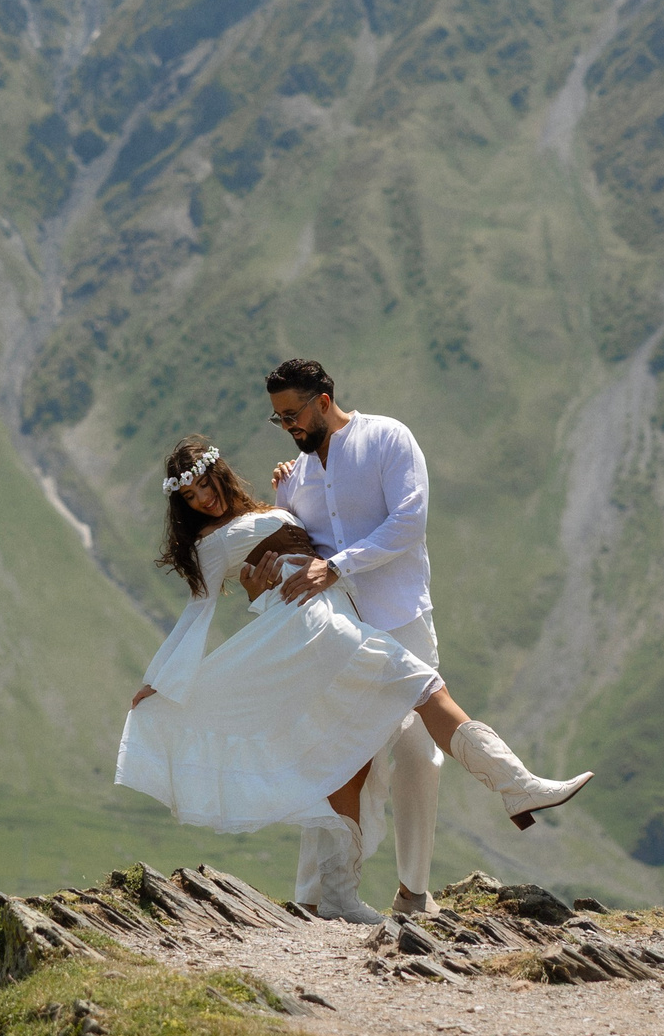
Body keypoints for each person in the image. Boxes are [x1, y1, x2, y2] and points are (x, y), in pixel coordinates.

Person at [116, 433, 589, 923]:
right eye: (189, 498)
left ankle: (338, 896)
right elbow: (196, 614)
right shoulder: (208, 543)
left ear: (221, 473)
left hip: (332, 617)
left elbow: (299, 542)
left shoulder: (259, 507)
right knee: (423, 684)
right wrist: (160, 681)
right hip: (313, 626)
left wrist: (288, 488)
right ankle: (517, 786)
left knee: (354, 758)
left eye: (205, 486)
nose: (202, 500)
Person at [251, 357, 586, 916]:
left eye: (292, 414)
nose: (288, 426)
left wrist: (339, 566)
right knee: (338, 756)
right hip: (339, 636)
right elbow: (292, 546)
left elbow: (409, 522)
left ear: (324, 400)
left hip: (401, 617)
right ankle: (320, 896)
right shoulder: (297, 477)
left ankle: (412, 894)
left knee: (416, 756)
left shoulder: (388, 437)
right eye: (278, 418)